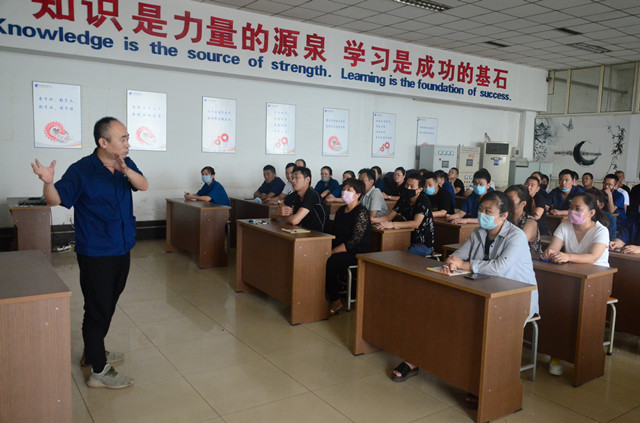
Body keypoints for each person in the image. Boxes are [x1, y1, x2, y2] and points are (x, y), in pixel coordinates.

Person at [31, 117, 148, 389]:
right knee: (97, 308)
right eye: (123, 139)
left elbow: (143, 185)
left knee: (109, 302)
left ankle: (92, 351)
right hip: (96, 251)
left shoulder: (125, 163)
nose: (128, 143)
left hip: (122, 246)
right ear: (103, 142)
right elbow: (56, 199)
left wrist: (126, 170)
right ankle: (98, 371)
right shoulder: (82, 170)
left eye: (128, 137)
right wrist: (48, 182)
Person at [392, 191, 539, 388]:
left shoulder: (516, 236)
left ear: (504, 215)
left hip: (514, 298)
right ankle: (415, 359)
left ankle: (481, 379)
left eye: (488, 211)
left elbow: (499, 267)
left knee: (476, 325)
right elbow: (458, 256)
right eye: (481, 210)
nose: (482, 214)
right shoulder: (479, 232)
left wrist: (463, 265)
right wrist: (452, 262)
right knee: (434, 309)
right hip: (483, 289)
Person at [541, 192, 609, 376]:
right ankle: (556, 353)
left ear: (591, 213)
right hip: (571, 278)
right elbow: (553, 248)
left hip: (596, 282)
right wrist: (550, 253)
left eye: (577, 209)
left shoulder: (601, 231)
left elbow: (593, 257)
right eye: (571, 207)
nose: (572, 211)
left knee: (577, 315)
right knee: (557, 309)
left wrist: (567, 256)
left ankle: (583, 358)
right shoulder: (565, 226)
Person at [325, 179, 371, 315]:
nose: (345, 192)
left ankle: (336, 301)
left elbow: (354, 241)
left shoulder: (361, 212)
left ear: (358, 194)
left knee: (330, 262)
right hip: (339, 247)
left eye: (349, 190)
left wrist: (332, 251)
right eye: (344, 189)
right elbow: (334, 233)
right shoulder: (341, 211)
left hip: (355, 252)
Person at [372, 172, 435, 257]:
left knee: (400, 256)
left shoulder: (423, 201)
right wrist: (373, 220)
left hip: (423, 243)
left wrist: (392, 225)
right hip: (405, 238)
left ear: (420, 189)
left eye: (412, 186)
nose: (408, 188)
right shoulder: (404, 198)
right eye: (407, 185)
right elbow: (388, 217)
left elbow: (416, 223)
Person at [274, 166, 328, 232]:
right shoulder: (294, 195)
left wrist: (281, 217)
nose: (293, 181)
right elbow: (273, 214)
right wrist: (277, 212)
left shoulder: (312, 195)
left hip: (319, 235)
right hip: (301, 232)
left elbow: (294, 220)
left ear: (307, 179)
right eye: (292, 178)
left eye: (297, 177)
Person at [505, 185, 541, 253]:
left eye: (511, 201)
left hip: (528, 258)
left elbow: (517, 244)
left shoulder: (530, 222)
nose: (506, 204)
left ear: (523, 204)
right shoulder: (504, 217)